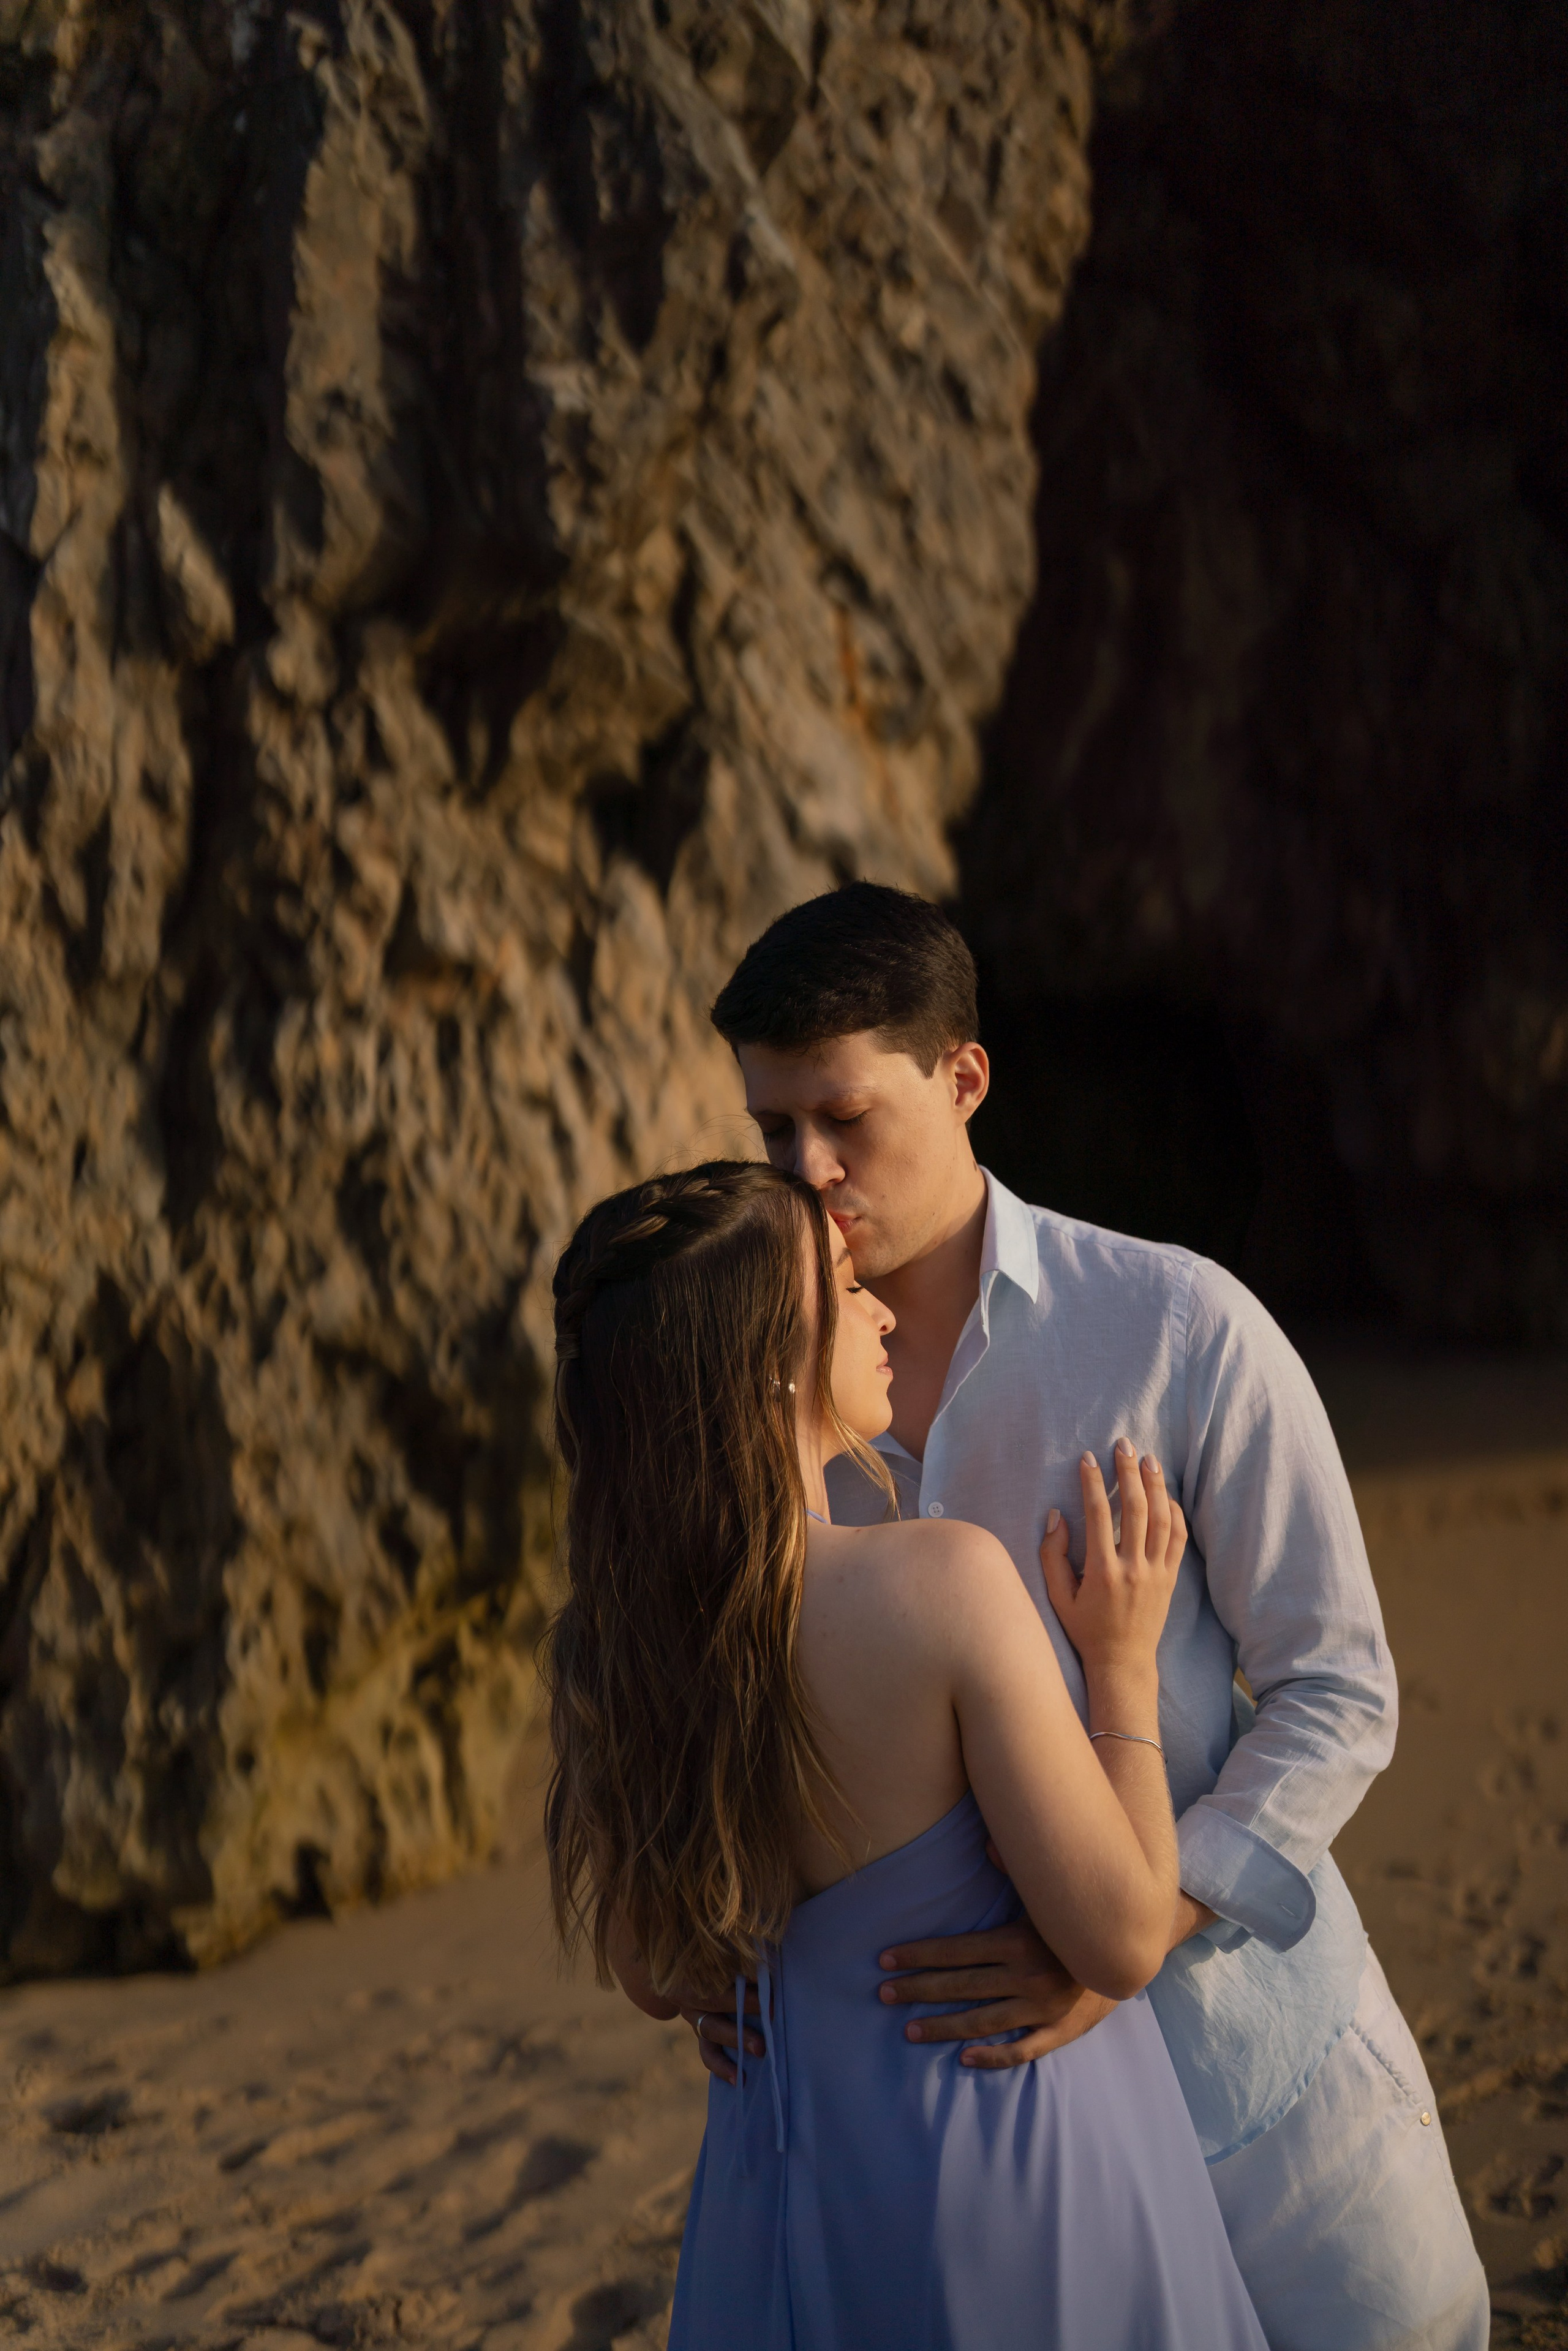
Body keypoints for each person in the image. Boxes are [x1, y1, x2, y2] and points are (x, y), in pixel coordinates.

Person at [679, 882, 1488, 2351]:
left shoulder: (1176, 1325)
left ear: (963, 1075)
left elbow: (1335, 1683)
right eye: (772, 1128)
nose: (805, 1170)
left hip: (1258, 2095)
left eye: (841, 1118)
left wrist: (1127, 1924)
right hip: (969, 2176)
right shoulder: (756, 1416)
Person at [545, 1159, 1268, 2349]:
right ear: (766, 1359)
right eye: (839, 1282)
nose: (880, 1306)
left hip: (784, 2192)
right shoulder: (938, 1585)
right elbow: (1121, 1934)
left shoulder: (615, 1646)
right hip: (1006, 2176)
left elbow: (651, 1969)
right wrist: (1120, 1663)